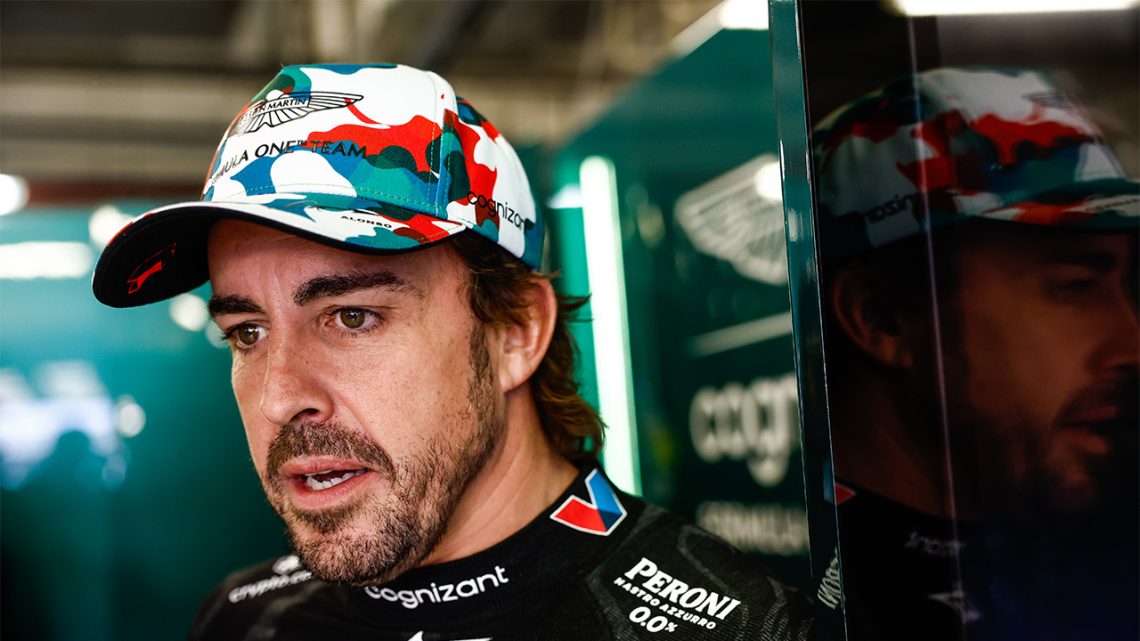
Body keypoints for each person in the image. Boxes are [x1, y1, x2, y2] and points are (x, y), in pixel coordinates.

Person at [92, 63, 819, 640]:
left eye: (352, 316)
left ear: (515, 331)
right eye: (247, 332)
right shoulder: (246, 618)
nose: (280, 397)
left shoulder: (738, 628)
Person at [810, 67, 1138, 640]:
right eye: (1075, 287)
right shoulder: (787, 605)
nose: (1131, 343)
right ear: (880, 319)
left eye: (1129, 287)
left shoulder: (1087, 550)